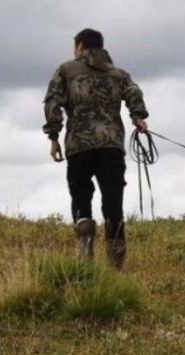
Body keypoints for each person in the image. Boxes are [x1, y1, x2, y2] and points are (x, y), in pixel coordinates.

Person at [43, 28, 149, 268]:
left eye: (74, 46)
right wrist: (137, 116)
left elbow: (52, 103)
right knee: (113, 202)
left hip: (79, 146)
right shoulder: (118, 74)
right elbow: (134, 92)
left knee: (81, 196)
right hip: (111, 146)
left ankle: (85, 250)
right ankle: (114, 266)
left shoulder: (66, 70)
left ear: (80, 46)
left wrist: (53, 135)